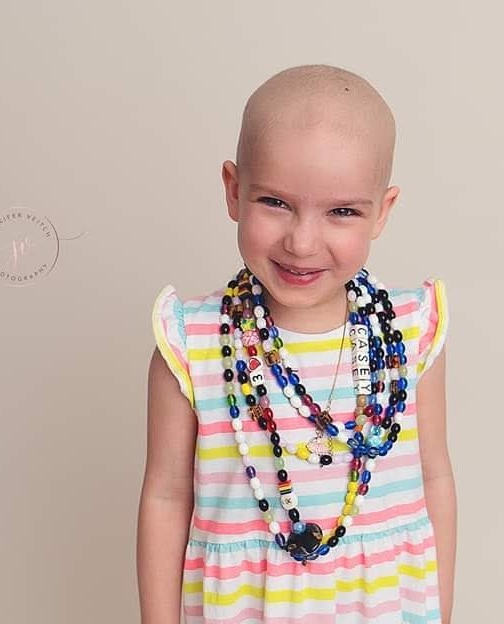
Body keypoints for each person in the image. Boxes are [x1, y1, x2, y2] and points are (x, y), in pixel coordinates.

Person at [137, 64, 456, 623]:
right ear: (234, 191)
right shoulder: (194, 343)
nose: (302, 241)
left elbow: (435, 479)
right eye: (275, 203)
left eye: (342, 212)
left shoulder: (411, 332)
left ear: (382, 211)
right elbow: (165, 495)